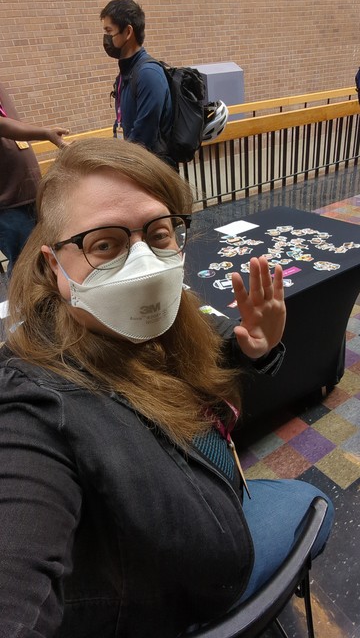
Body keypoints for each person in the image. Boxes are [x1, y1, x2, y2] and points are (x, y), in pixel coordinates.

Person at [0, 137, 334, 638]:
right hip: (192, 583)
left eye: (158, 234)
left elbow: (181, 377)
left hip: (211, 504)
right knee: (313, 505)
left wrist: (251, 352)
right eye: (105, 244)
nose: (142, 265)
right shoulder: (36, 400)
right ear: (54, 266)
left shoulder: (168, 323)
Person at [0, 82, 69, 274]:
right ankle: (24, 305)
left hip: (28, 193)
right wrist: (44, 133)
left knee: (43, 257)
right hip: (7, 203)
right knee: (25, 264)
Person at [100, 0, 174, 166]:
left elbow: (143, 138)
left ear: (128, 32)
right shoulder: (126, 74)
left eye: (109, 30)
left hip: (154, 173)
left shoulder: (148, 74)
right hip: (137, 169)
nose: (106, 38)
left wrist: (117, 165)